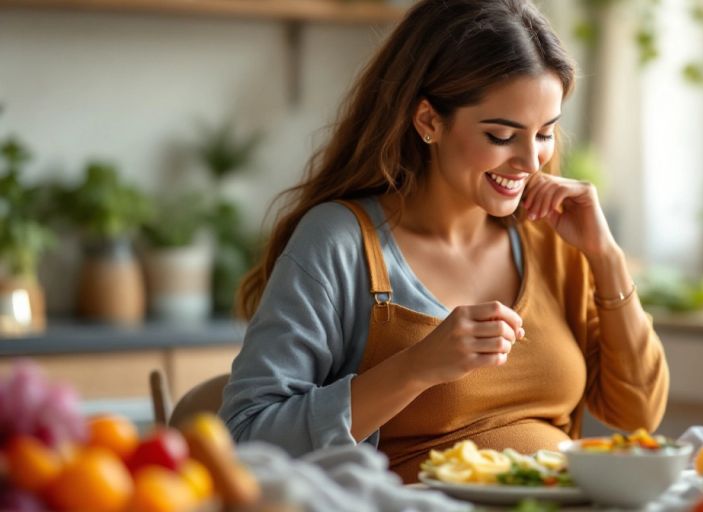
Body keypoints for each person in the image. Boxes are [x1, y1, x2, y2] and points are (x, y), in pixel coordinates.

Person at [219, 0, 669, 483]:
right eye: (501, 135)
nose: (531, 162)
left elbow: (639, 415)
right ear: (429, 121)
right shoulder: (340, 241)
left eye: (545, 133)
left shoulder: (552, 238)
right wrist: (417, 367)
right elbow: (248, 436)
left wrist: (606, 257)